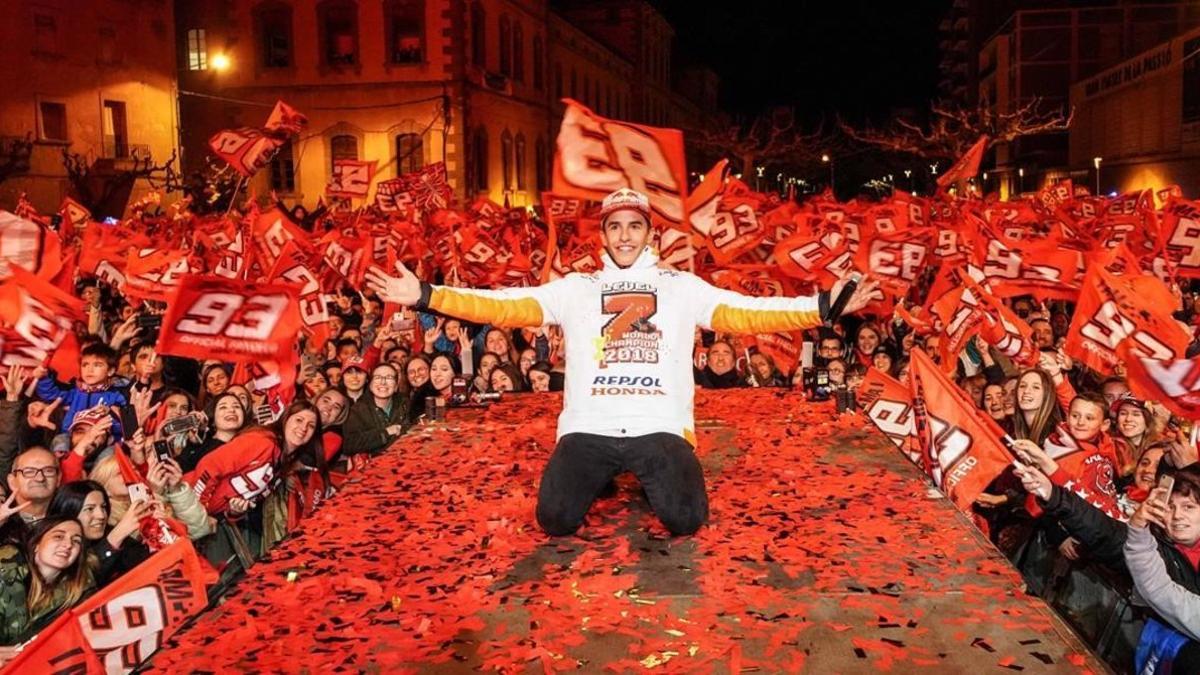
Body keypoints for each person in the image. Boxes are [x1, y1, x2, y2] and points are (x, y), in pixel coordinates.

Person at [366, 186, 877, 536]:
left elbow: (748, 312)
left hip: (658, 427)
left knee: (685, 521)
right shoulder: (576, 288)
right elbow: (501, 303)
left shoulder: (679, 286)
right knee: (556, 520)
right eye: (616, 227)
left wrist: (821, 306)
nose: (626, 236)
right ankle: (602, 474)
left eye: (635, 226)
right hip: (590, 427)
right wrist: (426, 295)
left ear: (649, 234)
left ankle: (644, 474)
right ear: (603, 236)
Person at [0, 516, 93, 647]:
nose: (68, 545)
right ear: (36, 544)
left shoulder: (79, 592)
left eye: (76, 541)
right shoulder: (4, 572)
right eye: (58, 536)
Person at [47, 480, 152, 586]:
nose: (101, 515)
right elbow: (78, 586)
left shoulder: (116, 537)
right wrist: (113, 541)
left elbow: (150, 567)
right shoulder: (54, 548)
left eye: (103, 507)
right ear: (68, 513)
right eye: (90, 509)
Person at [343, 364, 408, 457]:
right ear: (370, 385)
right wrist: (386, 433)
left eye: (389, 378)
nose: (383, 382)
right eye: (378, 377)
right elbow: (349, 445)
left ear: (396, 386)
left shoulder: (405, 403)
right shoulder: (357, 411)